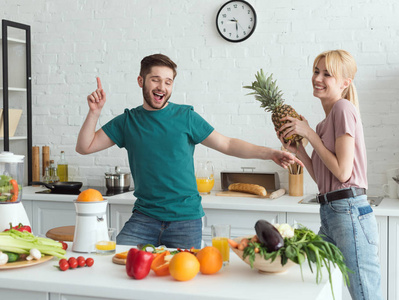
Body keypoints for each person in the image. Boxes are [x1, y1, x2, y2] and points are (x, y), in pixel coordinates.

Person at [76, 53, 302, 250]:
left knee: (187, 279)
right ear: (141, 81)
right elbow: (85, 147)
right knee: (116, 265)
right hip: (144, 218)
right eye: (155, 79)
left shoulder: (186, 117)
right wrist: (94, 112)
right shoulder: (128, 122)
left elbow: (228, 144)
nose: (162, 87)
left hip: (186, 220)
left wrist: (270, 153)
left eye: (168, 82)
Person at [278, 49, 382, 299]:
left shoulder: (343, 108)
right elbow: (324, 180)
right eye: (316, 71)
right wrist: (300, 149)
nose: (318, 78)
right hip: (332, 212)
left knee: (364, 293)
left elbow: (343, 173)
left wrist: (310, 135)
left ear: (345, 83)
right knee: (313, 281)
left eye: (327, 74)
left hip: (349, 212)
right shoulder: (324, 123)